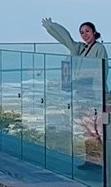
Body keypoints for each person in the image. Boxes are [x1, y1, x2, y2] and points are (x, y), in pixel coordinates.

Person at [42, 18, 107, 170]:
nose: (85, 34)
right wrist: (52, 27)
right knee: (87, 130)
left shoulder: (99, 49)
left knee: (97, 130)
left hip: (93, 94)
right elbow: (66, 40)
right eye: (82, 32)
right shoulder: (81, 49)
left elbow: (100, 71)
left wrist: (94, 88)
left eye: (87, 31)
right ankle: (92, 161)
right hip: (82, 95)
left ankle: (103, 162)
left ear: (94, 32)